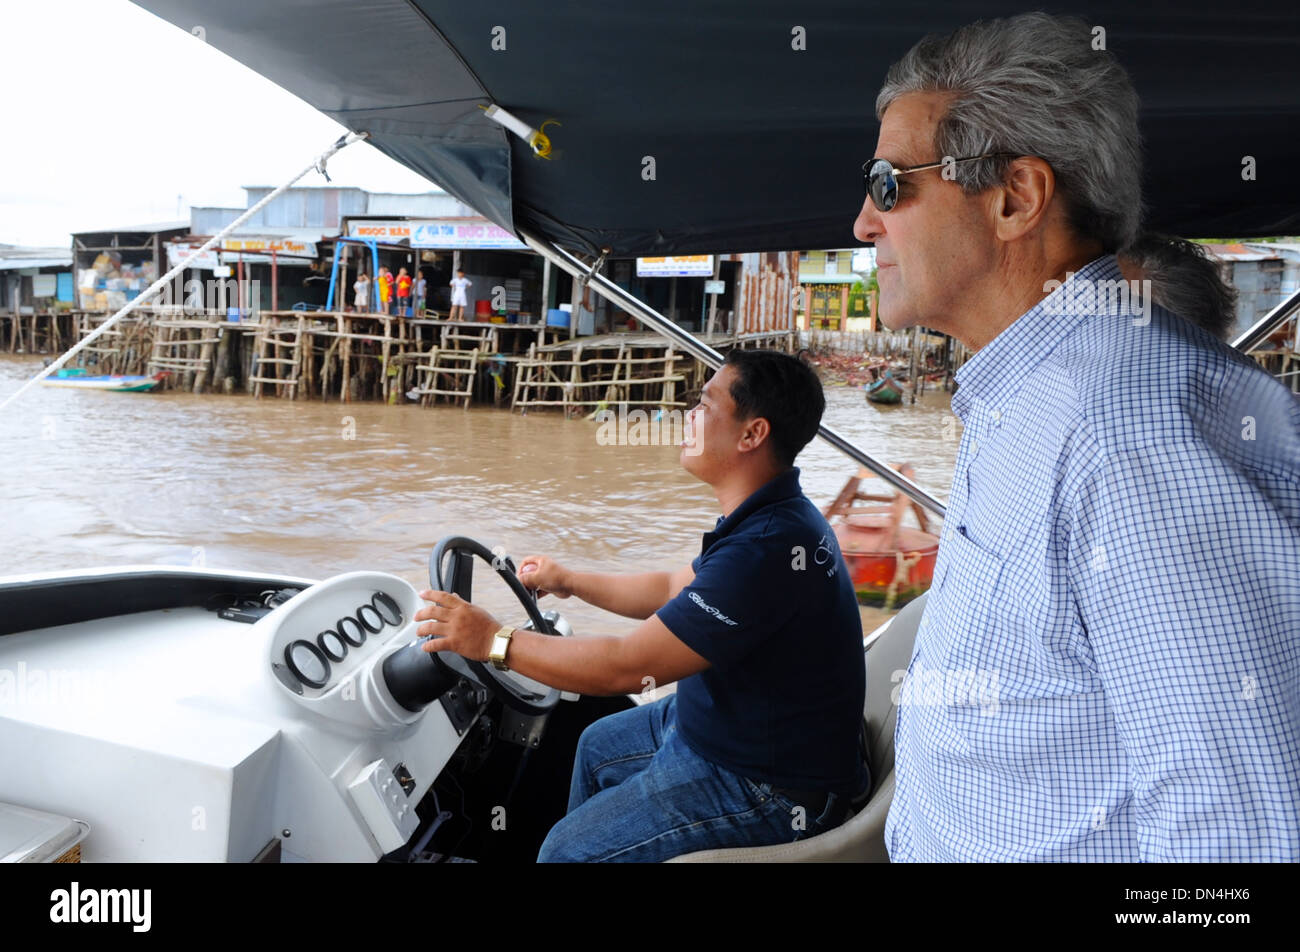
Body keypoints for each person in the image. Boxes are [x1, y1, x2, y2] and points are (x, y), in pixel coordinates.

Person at [858, 12, 1300, 862]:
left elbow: (1246, 845)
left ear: (1015, 198)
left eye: (887, 184)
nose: (864, 223)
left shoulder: (1128, 431)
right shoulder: (1026, 400)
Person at [412, 349, 870, 862]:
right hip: (728, 728)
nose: (687, 416)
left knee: (564, 851)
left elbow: (624, 667)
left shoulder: (766, 549)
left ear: (751, 434)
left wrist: (494, 641)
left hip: (771, 785)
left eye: (704, 404)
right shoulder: (775, 516)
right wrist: (570, 580)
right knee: (595, 746)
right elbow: (672, 585)